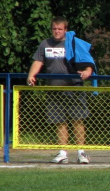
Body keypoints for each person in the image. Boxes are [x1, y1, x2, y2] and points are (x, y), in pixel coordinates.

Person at [27, 16, 95, 164]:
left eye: (60, 29)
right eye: (54, 29)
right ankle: (63, 152)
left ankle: (81, 152)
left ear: (65, 29)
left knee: (77, 119)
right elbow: (38, 61)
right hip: (54, 88)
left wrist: (88, 71)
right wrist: (32, 75)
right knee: (59, 121)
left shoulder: (73, 43)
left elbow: (87, 60)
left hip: (73, 87)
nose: (57, 31)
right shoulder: (45, 44)